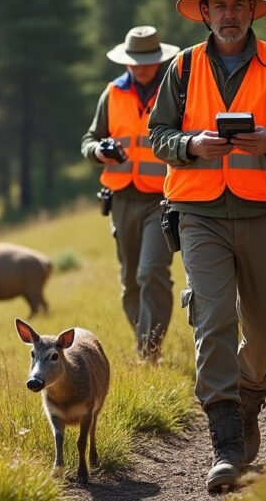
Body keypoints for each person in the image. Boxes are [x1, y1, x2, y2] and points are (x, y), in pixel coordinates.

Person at [148, 0, 266, 492]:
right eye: (219, 5)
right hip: (198, 215)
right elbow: (158, 135)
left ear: (253, 11)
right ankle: (225, 441)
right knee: (213, 321)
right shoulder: (179, 69)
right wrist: (190, 145)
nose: (229, 14)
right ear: (204, 13)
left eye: (238, 5)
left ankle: (248, 397)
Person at [81, 26, 178, 361]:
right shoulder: (112, 93)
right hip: (121, 198)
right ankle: (145, 344)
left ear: (158, 60)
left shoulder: (174, 92)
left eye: (146, 61)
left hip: (162, 198)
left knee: (151, 272)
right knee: (130, 281)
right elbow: (89, 139)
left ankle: (149, 350)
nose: (139, 67)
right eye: (134, 61)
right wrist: (99, 152)